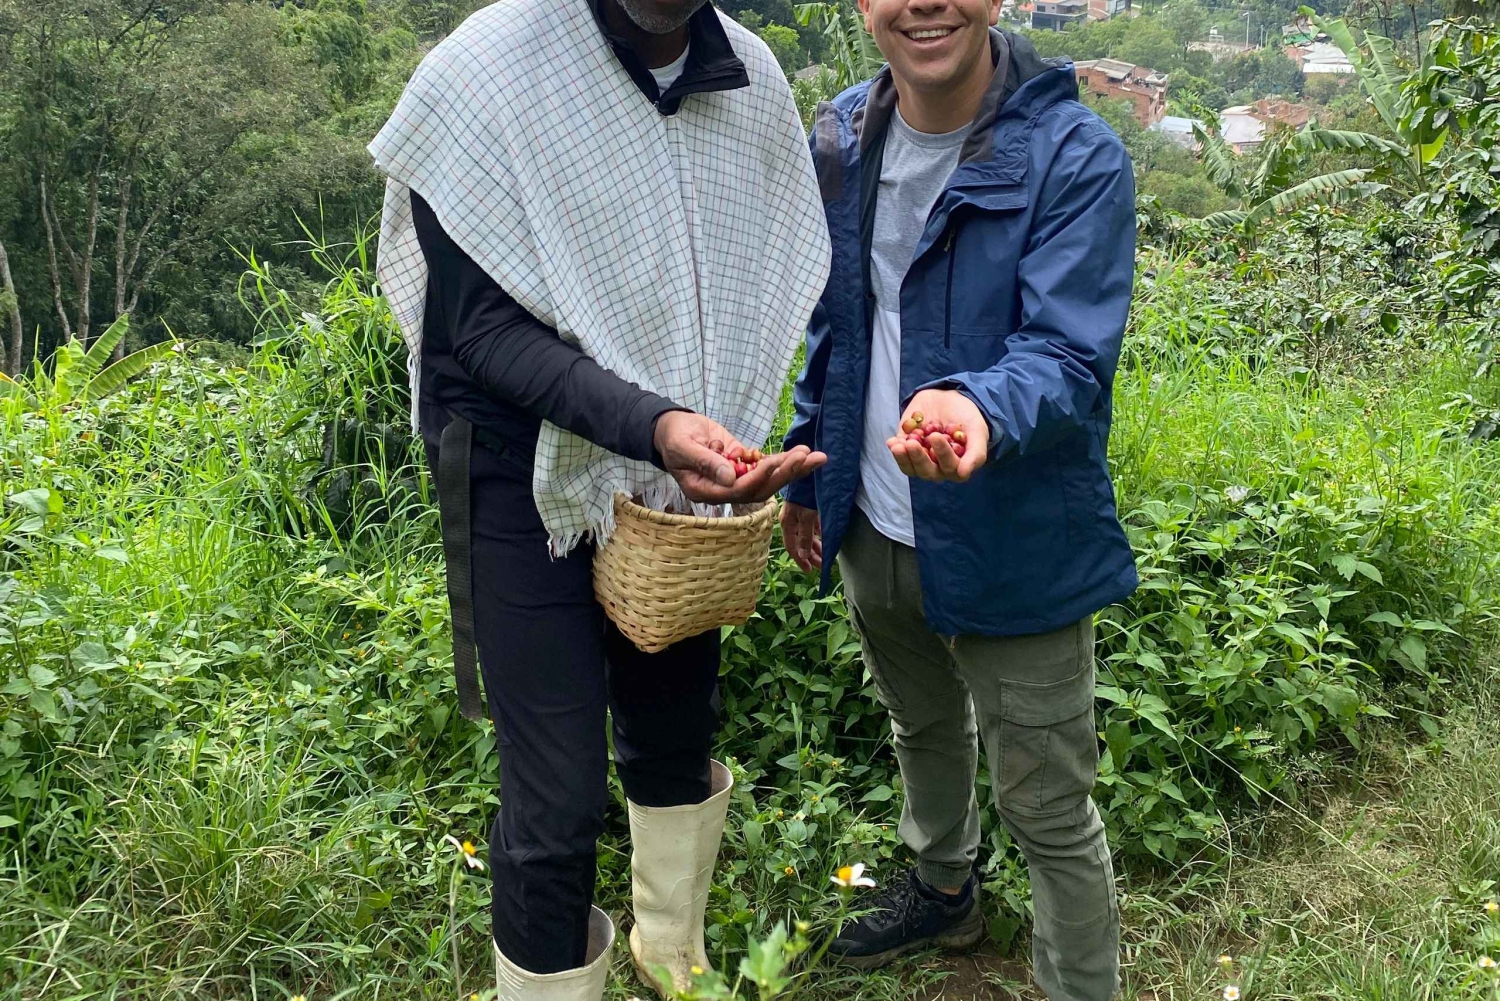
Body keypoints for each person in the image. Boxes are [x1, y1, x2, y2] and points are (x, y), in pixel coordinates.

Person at [368, 1, 830, 998]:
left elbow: (761, 268)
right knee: (556, 795)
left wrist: (709, 423)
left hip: (672, 470)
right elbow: (481, 333)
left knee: (676, 724)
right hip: (518, 468)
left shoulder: (748, 80)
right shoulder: (487, 75)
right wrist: (657, 422)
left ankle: (673, 956)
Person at [780, 0, 1138, 995]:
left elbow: (1068, 353)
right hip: (873, 516)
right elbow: (836, 321)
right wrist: (812, 460)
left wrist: (977, 404)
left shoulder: (1073, 155)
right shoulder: (842, 136)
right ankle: (945, 889)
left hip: (1013, 533)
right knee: (922, 724)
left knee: (1049, 809)